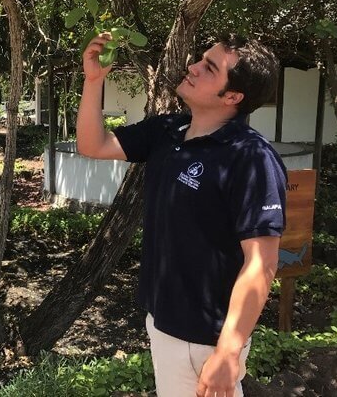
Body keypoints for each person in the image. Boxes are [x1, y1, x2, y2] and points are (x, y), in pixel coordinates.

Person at [76, 34, 286, 397]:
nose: (192, 67)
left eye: (209, 68)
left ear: (232, 97)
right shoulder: (168, 130)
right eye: (201, 59)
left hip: (205, 339)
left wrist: (229, 350)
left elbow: (261, 264)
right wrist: (94, 81)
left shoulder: (251, 158)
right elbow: (92, 144)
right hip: (163, 322)